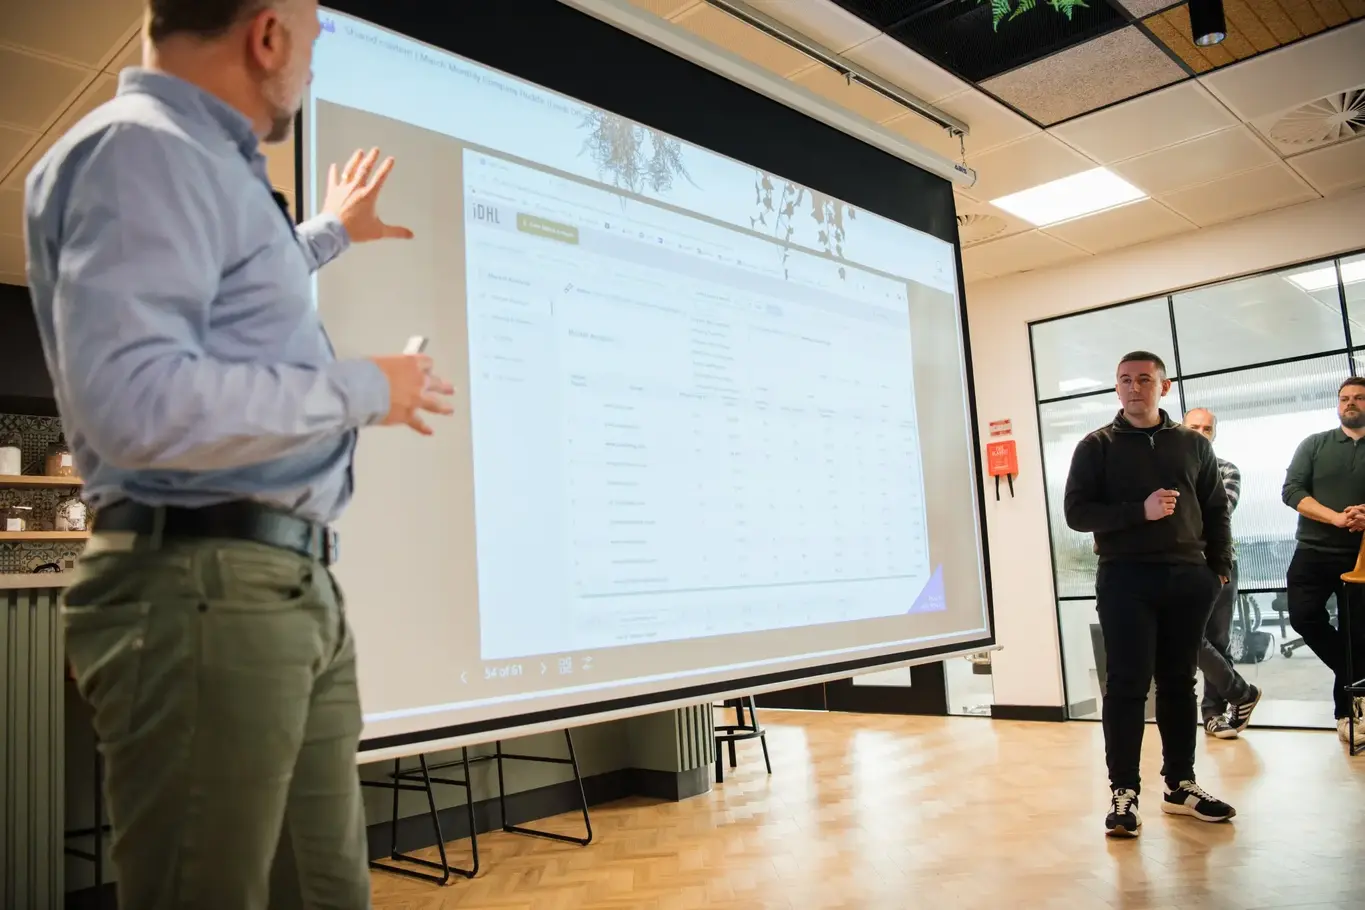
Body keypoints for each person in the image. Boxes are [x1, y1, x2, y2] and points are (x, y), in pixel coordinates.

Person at [23, 1, 454, 906]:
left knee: (328, 889)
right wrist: (368, 387)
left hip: (278, 587)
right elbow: (139, 405)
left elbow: (231, 300)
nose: (314, 55)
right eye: (313, 33)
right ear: (266, 36)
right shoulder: (140, 149)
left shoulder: (199, 163)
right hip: (202, 587)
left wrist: (330, 230)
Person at [1064, 351, 1235, 838]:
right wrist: (1138, 511)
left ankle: (1180, 785)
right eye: (1125, 380)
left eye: (1144, 379)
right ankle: (1125, 793)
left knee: (1180, 684)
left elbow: (1216, 509)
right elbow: (1078, 514)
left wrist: (1217, 569)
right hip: (1124, 580)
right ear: (1116, 388)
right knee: (1126, 687)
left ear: (1165, 386)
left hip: (1188, 579)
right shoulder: (1096, 446)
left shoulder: (1192, 446)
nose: (1134, 387)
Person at [1281, 378, 1365, 748]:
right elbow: (1292, 491)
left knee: (1355, 636)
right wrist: (1334, 517)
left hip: (1361, 557)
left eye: (1359, 398)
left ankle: (1348, 715)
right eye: (1344, 398)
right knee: (1303, 616)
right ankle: (1357, 678)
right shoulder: (1314, 444)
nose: (1350, 403)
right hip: (1313, 551)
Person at [1181, 408, 1262, 738]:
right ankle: (1242, 693)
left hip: (1218, 562)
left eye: (1207, 428)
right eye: (1194, 427)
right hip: (1179, 564)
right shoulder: (1167, 469)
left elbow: (1219, 512)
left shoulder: (1226, 469)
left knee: (1217, 639)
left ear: (1214, 434)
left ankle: (1213, 714)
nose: (1201, 432)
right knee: (1186, 636)